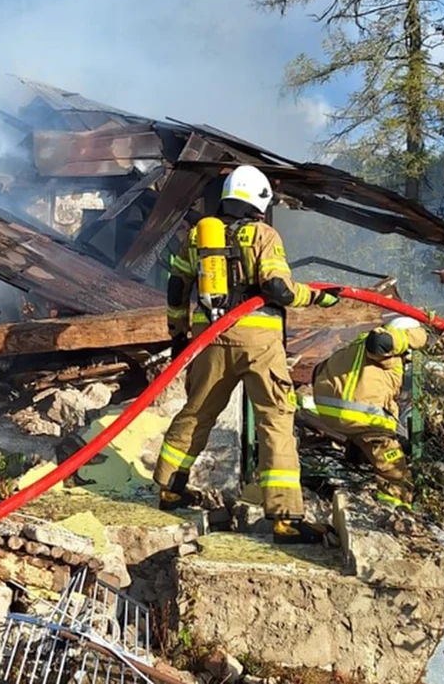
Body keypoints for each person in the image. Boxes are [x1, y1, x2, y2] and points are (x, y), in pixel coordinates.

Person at [155, 164, 340, 544]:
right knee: (275, 420)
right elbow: (278, 287)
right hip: (260, 344)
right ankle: (286, 519)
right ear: (260, 201)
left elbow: (177, 287)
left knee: (197, 410)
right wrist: (317, 297)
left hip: (213, 338)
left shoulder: (198, 235)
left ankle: (170, 488)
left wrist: (179, 332)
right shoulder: (264, 234)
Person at [306, 316, 427, 510]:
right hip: (363, 417)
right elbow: (379, 343)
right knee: (394, 469)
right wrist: (419, 336)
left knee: (367, 440)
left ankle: (358, 452)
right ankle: (394, 510)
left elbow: (319, 369)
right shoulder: (382, 346)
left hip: (333, 412)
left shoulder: (356, 346)